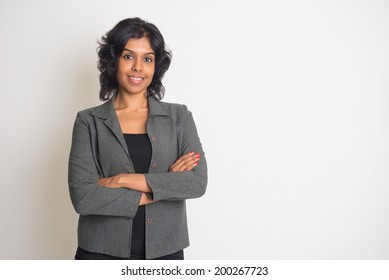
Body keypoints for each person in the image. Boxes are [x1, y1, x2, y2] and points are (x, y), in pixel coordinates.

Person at [68, 17, 207, 260]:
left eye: (148, 59)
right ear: (114, 61)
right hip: (99, 252)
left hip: (166, 251)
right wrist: (164, 186)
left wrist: (120, 179)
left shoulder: (179, 117)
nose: (138, 67)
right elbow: (84, 198)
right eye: (128, 56)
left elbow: (196, 182)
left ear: (156, 66)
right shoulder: (88, 121)